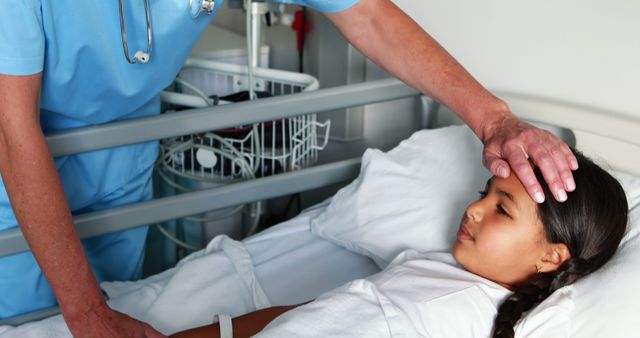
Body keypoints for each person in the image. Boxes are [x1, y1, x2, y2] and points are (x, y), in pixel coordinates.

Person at [0, 0, 576, 335]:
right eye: (492, 198)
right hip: (15, 150)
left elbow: (368, 17)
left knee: (114, 291)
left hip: (124, 143)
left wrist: (495, 120)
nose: (473, 208)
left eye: (500, 204)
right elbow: (11, 126)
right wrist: (87, 311)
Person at [170, 149, 628, 338]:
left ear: (552, 256)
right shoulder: (436, 266)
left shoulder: (456, 317)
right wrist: (219, 331)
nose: (473, 209)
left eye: (502, 208)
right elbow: (318, 311)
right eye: (483, 194)